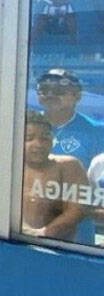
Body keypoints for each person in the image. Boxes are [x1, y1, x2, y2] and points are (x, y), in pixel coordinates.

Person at [22, 112, 88, 242]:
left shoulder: (68, 166)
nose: (38, 144)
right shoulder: (10, 168)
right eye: (29, 138)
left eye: (45, 138)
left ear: (52, 140)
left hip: (57, 248)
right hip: (15, 242)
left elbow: (77, 210)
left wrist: (44, 234)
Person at [35, 69, 104, 170]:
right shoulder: (27, 124)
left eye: (58, 90)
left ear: (77, 96)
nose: (50, 95)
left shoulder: (96, 132)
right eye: (44, 90)